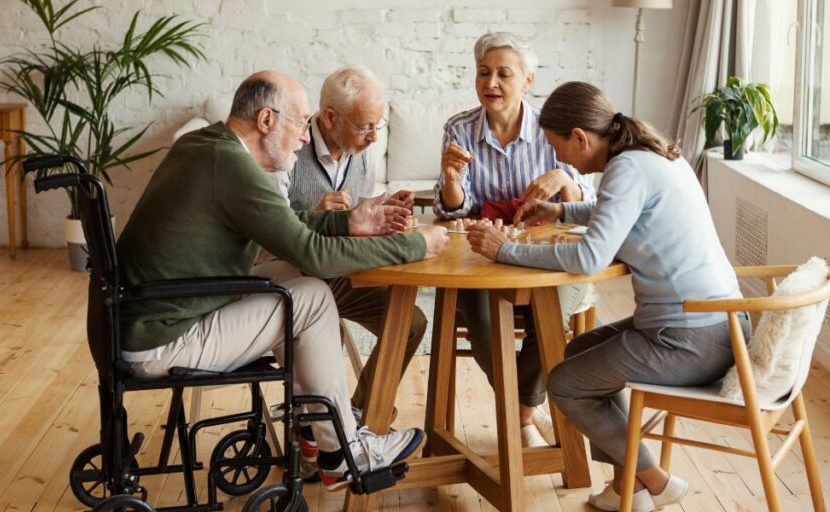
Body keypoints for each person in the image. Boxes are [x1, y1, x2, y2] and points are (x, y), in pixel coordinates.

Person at [116, 70, 450, 491]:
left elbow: (283, 226)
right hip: (164, 337)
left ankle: (315, 430)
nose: (306, 137)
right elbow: (314, 254)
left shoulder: (208, 146)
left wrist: (347, 220)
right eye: (300, 122)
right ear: (267, 120)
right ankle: (344, 452)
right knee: (310, 294)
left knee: (292, 276)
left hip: (159, 312)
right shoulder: (231, 165)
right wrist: (415, 246)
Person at [465, 81, 749, 511]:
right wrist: (561, 210)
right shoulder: (650, 157)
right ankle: (628, 488)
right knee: (575, 351)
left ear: (580, 137)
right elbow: (619, 210)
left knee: (566, 383)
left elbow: (590, 257)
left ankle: (652, 479)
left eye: (558, 147)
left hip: (690, 337)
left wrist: (504, 250)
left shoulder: (627, 169)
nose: (558, 158)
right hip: (716, 323)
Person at [434, 31, 594, 447]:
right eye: (484, 73)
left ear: (528, 80)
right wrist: (452, 180)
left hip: (546, 252)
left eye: (504, 74)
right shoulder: (459, 128)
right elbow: (453, 209)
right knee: (482, 321)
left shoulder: (551, 128)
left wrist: (564, 179)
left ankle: (520, 412)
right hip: (482, 254)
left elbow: (590, 203)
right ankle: (524, 413)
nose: (491, 83)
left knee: (553, 310)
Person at [274, 66, 427, 414]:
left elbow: (359, 214)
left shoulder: (362, 153)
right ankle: (317, 426)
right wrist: (319, 215)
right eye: (365, 126)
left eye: (378, 124)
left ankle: (361, 416)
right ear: (330, 117)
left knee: (410, 323)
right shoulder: (288, 150)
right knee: (325, 334)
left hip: (342, 273)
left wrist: (386, 212)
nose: (374, 137)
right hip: (296, 275)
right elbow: (270, 229)